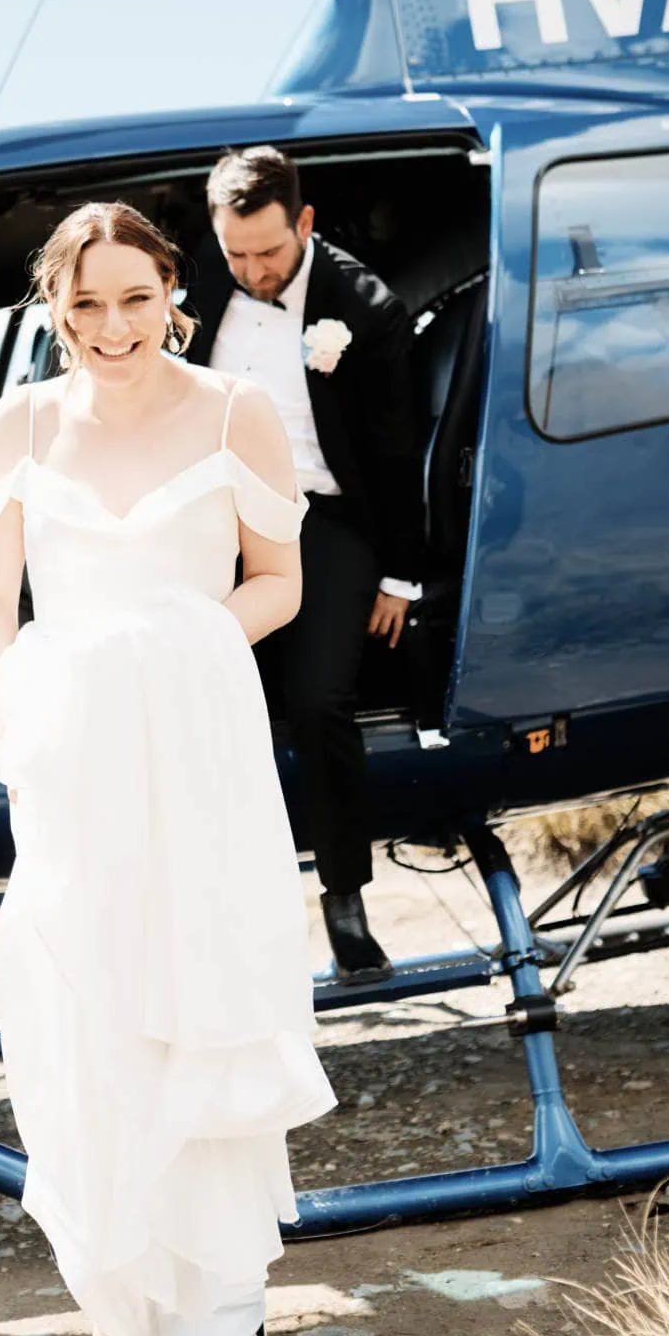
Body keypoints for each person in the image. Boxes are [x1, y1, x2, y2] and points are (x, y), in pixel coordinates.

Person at [0, 201, 336, 1336]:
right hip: (72, 767)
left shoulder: (235, 408)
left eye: (134, 299)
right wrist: (32, 722)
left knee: (201, 1008)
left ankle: (215, 1300)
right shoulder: (20, 425)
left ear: (171, 290)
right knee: (86, 1032)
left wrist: (170, 648)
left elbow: (277, 581)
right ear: (52, 307)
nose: (110, 328)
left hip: (196, 749)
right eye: (84, 305)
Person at [187, 144, 425, 983]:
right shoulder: (199, 288)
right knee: (198, 700)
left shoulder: (365, 309)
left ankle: (345, 901)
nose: (251, 271)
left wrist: (400, 574)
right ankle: (219, 911)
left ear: (306, 224)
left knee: (320, 701)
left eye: (269, 252)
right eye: (235, 254)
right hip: (216, 521)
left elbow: (397, 454)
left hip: (325, 518)